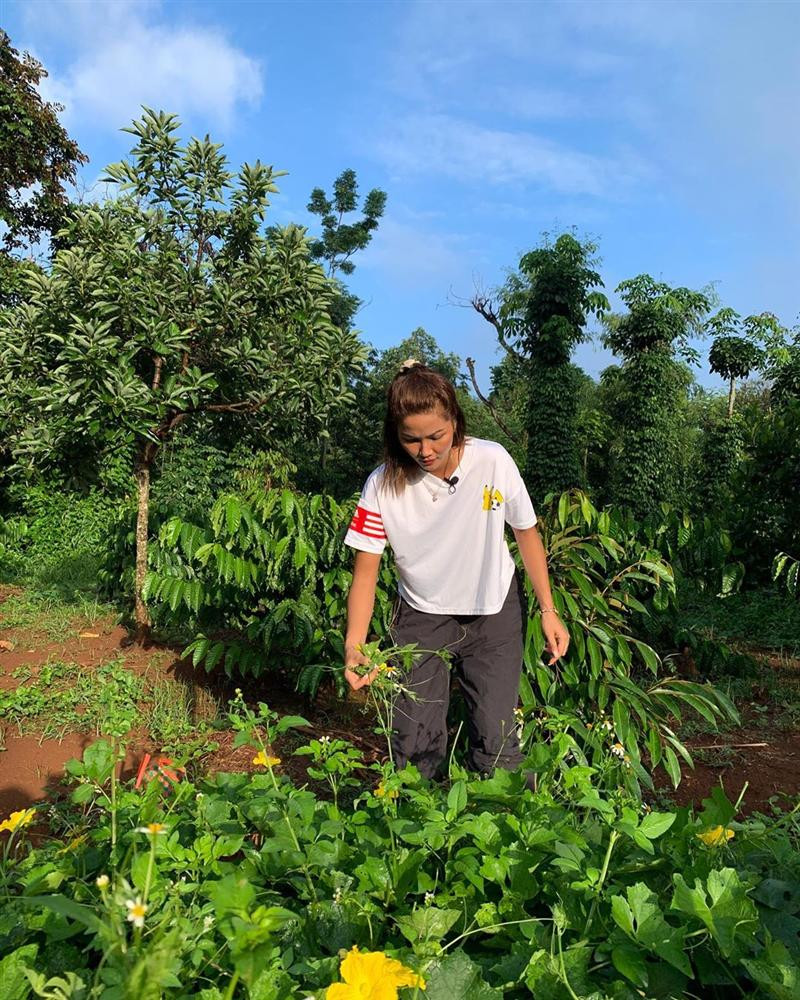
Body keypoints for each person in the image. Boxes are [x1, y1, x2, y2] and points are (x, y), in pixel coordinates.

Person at [343, 360, 569, 780]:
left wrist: (548, 610)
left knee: (497, 739)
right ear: (396, 435)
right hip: (422, 615)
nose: (425, 450)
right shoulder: (382, 484)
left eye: (436, 436)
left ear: (456, 423)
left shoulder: (493, 462)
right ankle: (415, 831)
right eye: (411, 439)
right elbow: (365, 572)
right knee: (412, 745)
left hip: (494, 612)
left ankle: (499, 831)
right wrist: (355, 643)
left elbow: (527, 533)